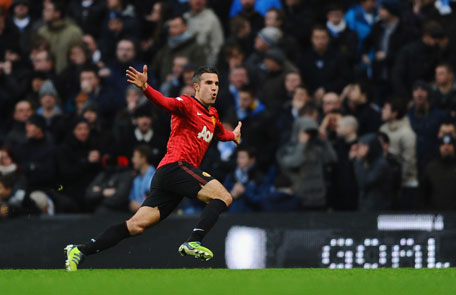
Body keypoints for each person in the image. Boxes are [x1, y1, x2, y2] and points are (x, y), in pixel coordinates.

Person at [64, 65, 242, 271]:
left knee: (136, 225)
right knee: (223, 196)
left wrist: (233, 135)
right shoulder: (186, 103)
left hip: (169, 176)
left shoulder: (212, 114)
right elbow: (165, 103)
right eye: (209, 83)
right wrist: (145, 88)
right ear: (196, 87)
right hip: (176, 167)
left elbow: (220, 133)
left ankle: (80, 250)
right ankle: (194, 240)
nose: (214, 88)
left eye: (217, 84)